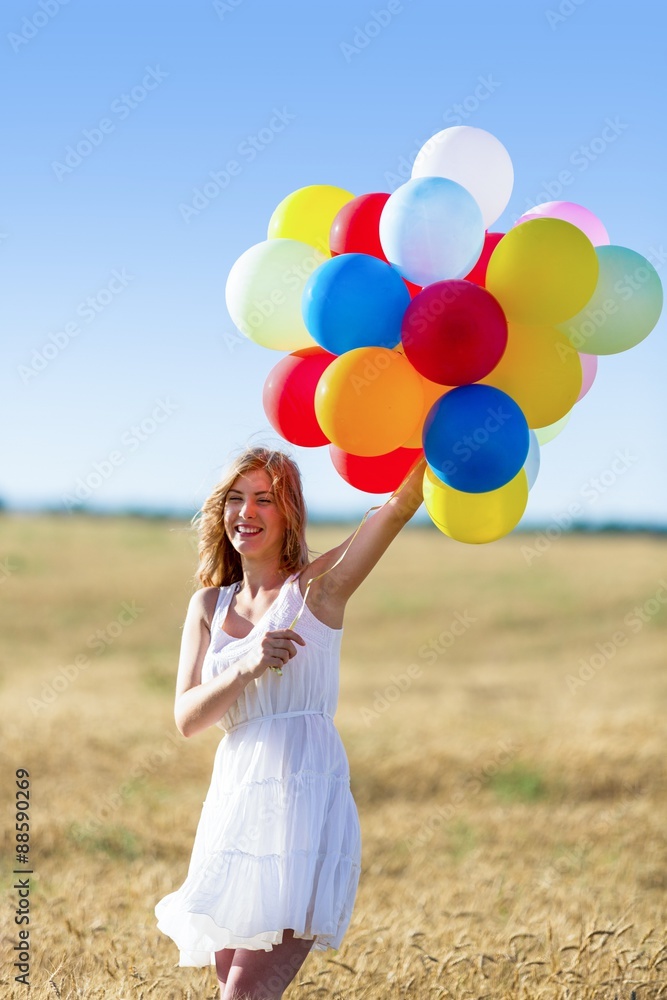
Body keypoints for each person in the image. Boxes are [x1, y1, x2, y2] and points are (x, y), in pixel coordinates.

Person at [155, 444, 426, 999]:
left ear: (290, 513)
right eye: (235, 498)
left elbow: (395, 510)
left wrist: (441, 428)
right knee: (232, 983)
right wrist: (248, 666)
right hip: (234, 807)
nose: (246, 512)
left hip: (300, 806)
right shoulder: (208, 605)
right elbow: (186, 718)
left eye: (264, 499)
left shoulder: (317, 588)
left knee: (242, 995)